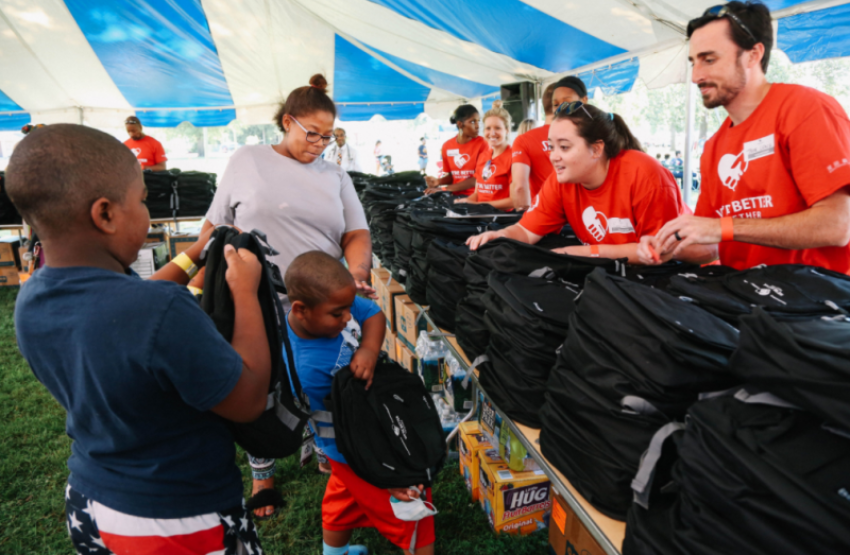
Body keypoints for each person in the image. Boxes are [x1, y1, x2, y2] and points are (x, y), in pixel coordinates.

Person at [8, 124, 269, 554]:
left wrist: (194, 254)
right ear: (105, 214)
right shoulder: (161, 311)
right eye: (143, 200)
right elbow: (248, 399)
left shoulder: (32, 298)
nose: (147, 211)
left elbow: (131, 306)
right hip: (178, 516)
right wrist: (245, 291)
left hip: (90, 500)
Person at [202, 74, 374, 517]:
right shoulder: (247, 160)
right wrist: (203, 276)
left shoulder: (335, 175)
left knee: (321, 380)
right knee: (258, 386)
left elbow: (356, 232)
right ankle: (263, 474)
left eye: (327, 136)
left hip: (318, 304)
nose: (319, 144)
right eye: (311, 133)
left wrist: (355, 272)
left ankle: (326, 449)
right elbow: (213, 226)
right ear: (286, 122)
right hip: (256, 299)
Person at [639, 2, 850, 271]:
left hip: (812, 292)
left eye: (709, 59)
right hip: (742, 290)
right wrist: (667, 246)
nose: (696, 76)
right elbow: (710, 243)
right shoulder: (714, 146)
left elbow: (837, 226)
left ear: (753, 55)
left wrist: (724, 227)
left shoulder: (805, 109)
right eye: (693, 62)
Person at [284, 251, 434, 555]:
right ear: (301, 310)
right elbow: (353, 428)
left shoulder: (330, 302)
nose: (347, 318)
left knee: (342, 503)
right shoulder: (308, 368)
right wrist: (387, 474)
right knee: (413, 513)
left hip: (344, 451)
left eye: (347, 308)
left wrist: (368, 348)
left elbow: (372, 312)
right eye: (337, 314)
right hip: (354, 448)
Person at [467, 101, 685, 263]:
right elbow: (525, 231)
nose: (553, 156)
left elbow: (659, 252)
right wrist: (500, 236)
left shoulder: (645, 175)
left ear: (596, 149)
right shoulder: (560, 181)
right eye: (551, 147)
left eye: (564, 147)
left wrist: (581, 253)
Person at [511, 77, 589, 210]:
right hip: (581, 211)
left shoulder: (524, 140)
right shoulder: (584, 135)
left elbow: (519, 187)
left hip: (545, 213)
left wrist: (526, 216)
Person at [455, 101, 514, 210]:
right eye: (488, 128)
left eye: (497, 128)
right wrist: (465, 201)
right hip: (481, 215)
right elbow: (478, 194)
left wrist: (481, 205)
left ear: (507, 130)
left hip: (502, 218)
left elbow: (515, 201)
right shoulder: (483, 156)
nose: (492, 133)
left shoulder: (514, 158)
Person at [424, 104, 489, 196]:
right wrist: (438, 181)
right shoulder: (447, 146)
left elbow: (480, 177)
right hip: (456, 197)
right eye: (473, 122)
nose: (478, 126)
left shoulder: (483, 144)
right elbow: (454, 176)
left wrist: (443, 188)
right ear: (460, 124)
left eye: (478, 121)